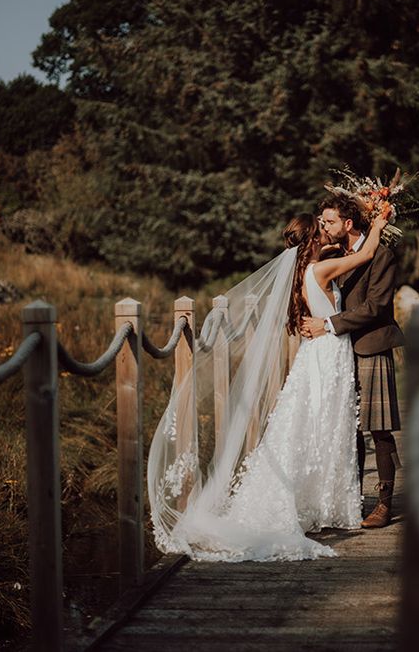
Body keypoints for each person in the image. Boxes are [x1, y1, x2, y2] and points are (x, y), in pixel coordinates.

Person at [147, 211, 388, 561]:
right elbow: (365, 255)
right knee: (325, 422)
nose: (325, 231)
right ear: (312, 240)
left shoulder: (302, 272)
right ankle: (322, 501)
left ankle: (321, 499)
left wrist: (346, 232)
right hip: (328, 353)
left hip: (319, 352)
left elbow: (343, 260)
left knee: (317, 422)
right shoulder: (319, 270)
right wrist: (378, 226)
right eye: (320, 229)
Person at [302, 194, 404, 528]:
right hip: (339, 354)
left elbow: (375, 307)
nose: (323, 227)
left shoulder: (381, 256)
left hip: (371, 347)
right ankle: (352, 499)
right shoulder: (332, 255)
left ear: (348, 224)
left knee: (379, 428)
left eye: (329, 221)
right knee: (347, 430)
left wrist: (328, 325)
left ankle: (384, 503)